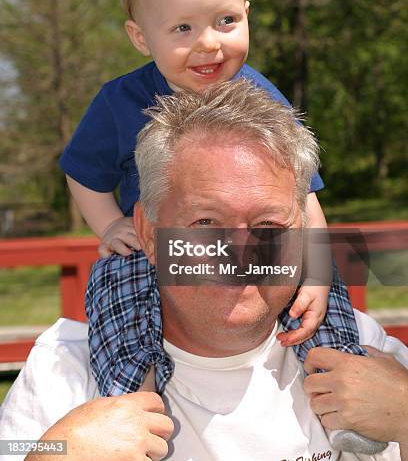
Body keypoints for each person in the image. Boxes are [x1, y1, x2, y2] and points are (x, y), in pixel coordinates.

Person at [1, 80, 407, 461]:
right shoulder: (63, 373)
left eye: (268, 226)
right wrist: (50, 454)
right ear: (147, 231)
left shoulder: (364, 356)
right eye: (207, 223)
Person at [59, 0, 368, 411]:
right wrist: (111, 224)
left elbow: (301, 194)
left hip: (260, 240)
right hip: (160, 246)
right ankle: (131, 400)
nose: (208, 44)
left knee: (324, 294)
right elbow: (82, 171)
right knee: (116, 283)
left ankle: (344, 394)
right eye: (183, 28)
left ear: (247, 15)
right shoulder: (119, 102)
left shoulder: (261, 96)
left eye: (225, 20)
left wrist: (317, 270)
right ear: (141, 37)